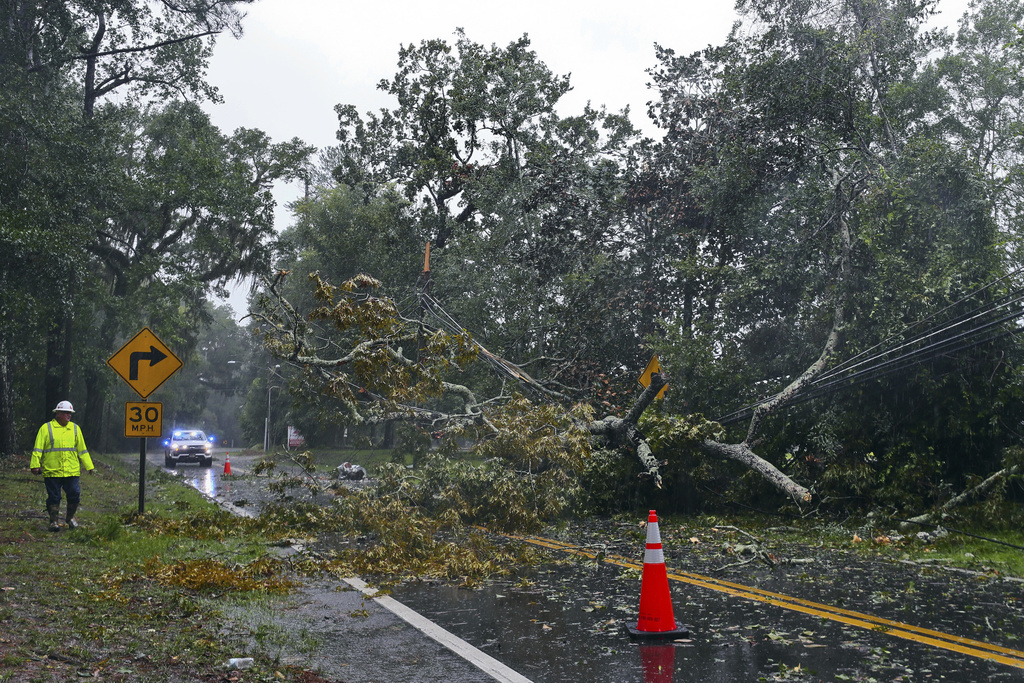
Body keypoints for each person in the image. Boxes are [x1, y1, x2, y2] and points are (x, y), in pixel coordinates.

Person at [30, 401, 94, 531]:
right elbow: (38, 449)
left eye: (70, 413)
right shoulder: (46, 428)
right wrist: (35, 465)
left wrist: (89, 466)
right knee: (54, 497)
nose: (68, 415)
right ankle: (53, 522)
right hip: (52, 471)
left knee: (74, 494)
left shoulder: (75, 429)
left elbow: (82, 450)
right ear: (57, 413)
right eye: (66, 413)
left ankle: (70, 518)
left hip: (71, 471)